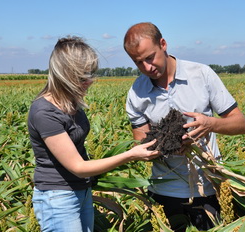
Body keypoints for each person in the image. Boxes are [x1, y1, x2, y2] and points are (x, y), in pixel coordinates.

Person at [123, 22, 245, 231]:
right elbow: (140, 142)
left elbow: (240, 124)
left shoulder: (202, 75)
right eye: (139, 63)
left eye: (150, 57)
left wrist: (210, 123)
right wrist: (162, 147)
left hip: (209, 188)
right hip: (164, 192)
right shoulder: (136, 93)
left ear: (163, 44)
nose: (147, 68)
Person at [28, 36, 160, 232]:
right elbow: (78, 167)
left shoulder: (71, 104)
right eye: (82, 77)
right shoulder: (44, 112)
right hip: (58, 197)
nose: (89, 81)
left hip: (81, 190)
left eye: (91, 74)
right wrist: (131, 155)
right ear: (65, 75)